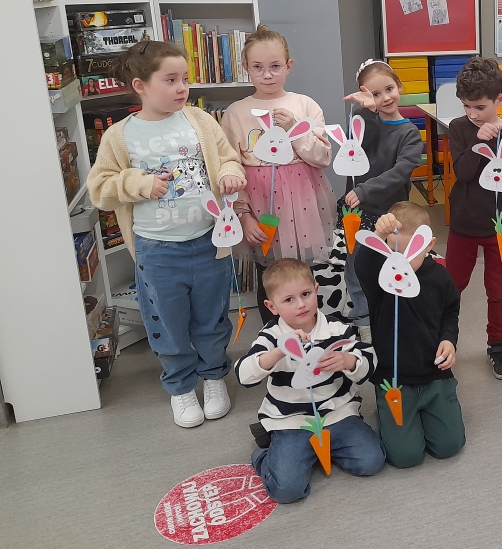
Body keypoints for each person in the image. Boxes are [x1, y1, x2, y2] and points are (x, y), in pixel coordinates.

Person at [87, 40, 246, 428]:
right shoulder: (119, 136)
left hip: (210, 242)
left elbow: (228, 158)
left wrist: (230, 173)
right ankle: (180, 386)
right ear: (141, 86)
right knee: (167, 322)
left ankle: (213, 378)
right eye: (171, 80)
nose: (182, 88)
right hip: (157, 249)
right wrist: (139, 184)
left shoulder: (200, 121)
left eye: (185, 79)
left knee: (213, 317)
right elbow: (100, 189)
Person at [235, 258, 384, 503]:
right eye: (289, 300)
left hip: (338, 414)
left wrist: (348, 361)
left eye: (306, 294)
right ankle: (264, 455)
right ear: (272, 306)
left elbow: (369, 359)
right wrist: (278, 352)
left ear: (316, 290)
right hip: (291, 421)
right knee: (287, 490)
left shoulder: (337, 328)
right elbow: (243, 374)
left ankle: (317, 452)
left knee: (372, 461)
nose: (301, 304)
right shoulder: (271, 335)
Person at [221, 25, 338, 323]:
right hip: (261, 203)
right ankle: (274, 332)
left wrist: (294, 129)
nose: (267, 75)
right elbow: (230, 166)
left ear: (289, 66)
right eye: (258, 67)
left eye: (275, 66)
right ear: (246, 67)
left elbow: (323, 157)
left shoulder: (304, 104)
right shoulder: (235, 112)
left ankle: (308, 329)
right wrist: (244, 215)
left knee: (302, 271)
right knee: (269, 272)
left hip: (302, 201)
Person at [355, 202, 466, 468]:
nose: (400, 261)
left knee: (450, 445)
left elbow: (450, 312)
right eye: (393, 251)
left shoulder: (439, 276)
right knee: (406, 457)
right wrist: (379, 234)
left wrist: (448, 340)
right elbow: (362, 264)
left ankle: (429, 409)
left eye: (410, 252)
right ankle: (388, 411)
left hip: (434, 375)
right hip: (395, 380)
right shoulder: (381, 277)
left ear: (429, 245)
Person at [446, 57, 502, 380]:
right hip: (464, 224)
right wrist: (479, 139)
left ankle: (497, 345)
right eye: (466, 106)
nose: (473, 114)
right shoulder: (458, 128)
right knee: (451, 287)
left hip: (501, 227)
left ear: (499, 100)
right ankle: (444, 342)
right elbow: (463, 174)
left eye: (480, 107)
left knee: (500, 290)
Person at [340, 59, 424, 342]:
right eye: (375, 94)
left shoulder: (409, 133)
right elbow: (353, 149)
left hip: (391, 214)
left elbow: (400, 172)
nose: (385, 98)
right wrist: (364, 111)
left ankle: (393, 315)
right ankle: (363, 318)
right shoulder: (365, 121)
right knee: (356, 266)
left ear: (399, 85)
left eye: (389, 89)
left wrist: (366, 190)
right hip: (359, 213)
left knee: (393, 265)